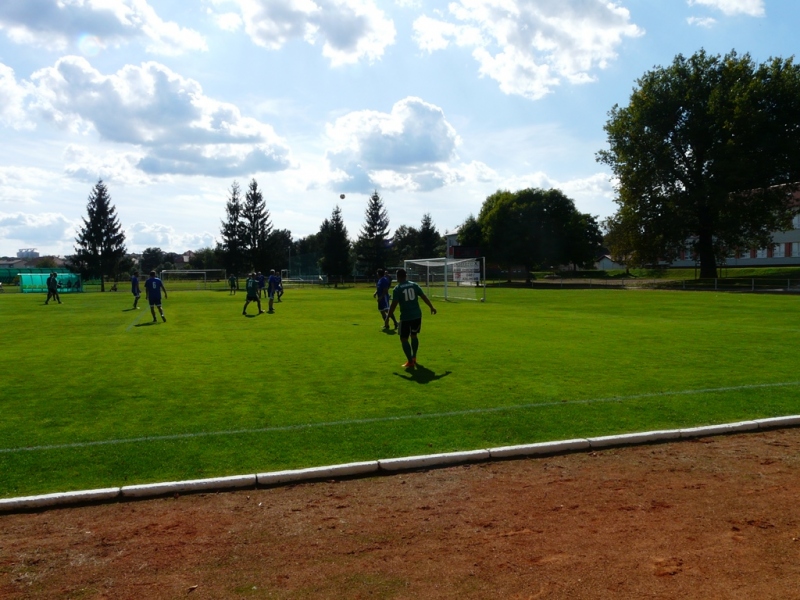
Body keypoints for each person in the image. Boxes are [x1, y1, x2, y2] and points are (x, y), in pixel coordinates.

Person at [385, 268, 436, 369]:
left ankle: (410, 361)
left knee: (403, 338)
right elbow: (423, 296)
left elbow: (393, 305)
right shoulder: (414, 285)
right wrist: (431, 307)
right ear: (406, 275)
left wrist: (387, 318)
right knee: (414, 335)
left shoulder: (397, 289)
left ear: (398, 277)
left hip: (406, 317)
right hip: (417, 315)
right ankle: (414, 357)